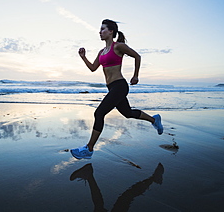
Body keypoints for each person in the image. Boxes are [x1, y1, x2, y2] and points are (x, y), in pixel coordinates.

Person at [70, 19, 163, 160]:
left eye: (103, 29)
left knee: (99, 113)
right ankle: (154, 120)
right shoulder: (102, 52)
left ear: (111, 31)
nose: (100, 32)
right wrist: (83, 57)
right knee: (128, 113)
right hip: (112, 87)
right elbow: (93, 68)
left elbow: (137, 56)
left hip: (120, 86)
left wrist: (136, 75)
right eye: (100, 29)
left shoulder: (118, 46)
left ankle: (88, 149)